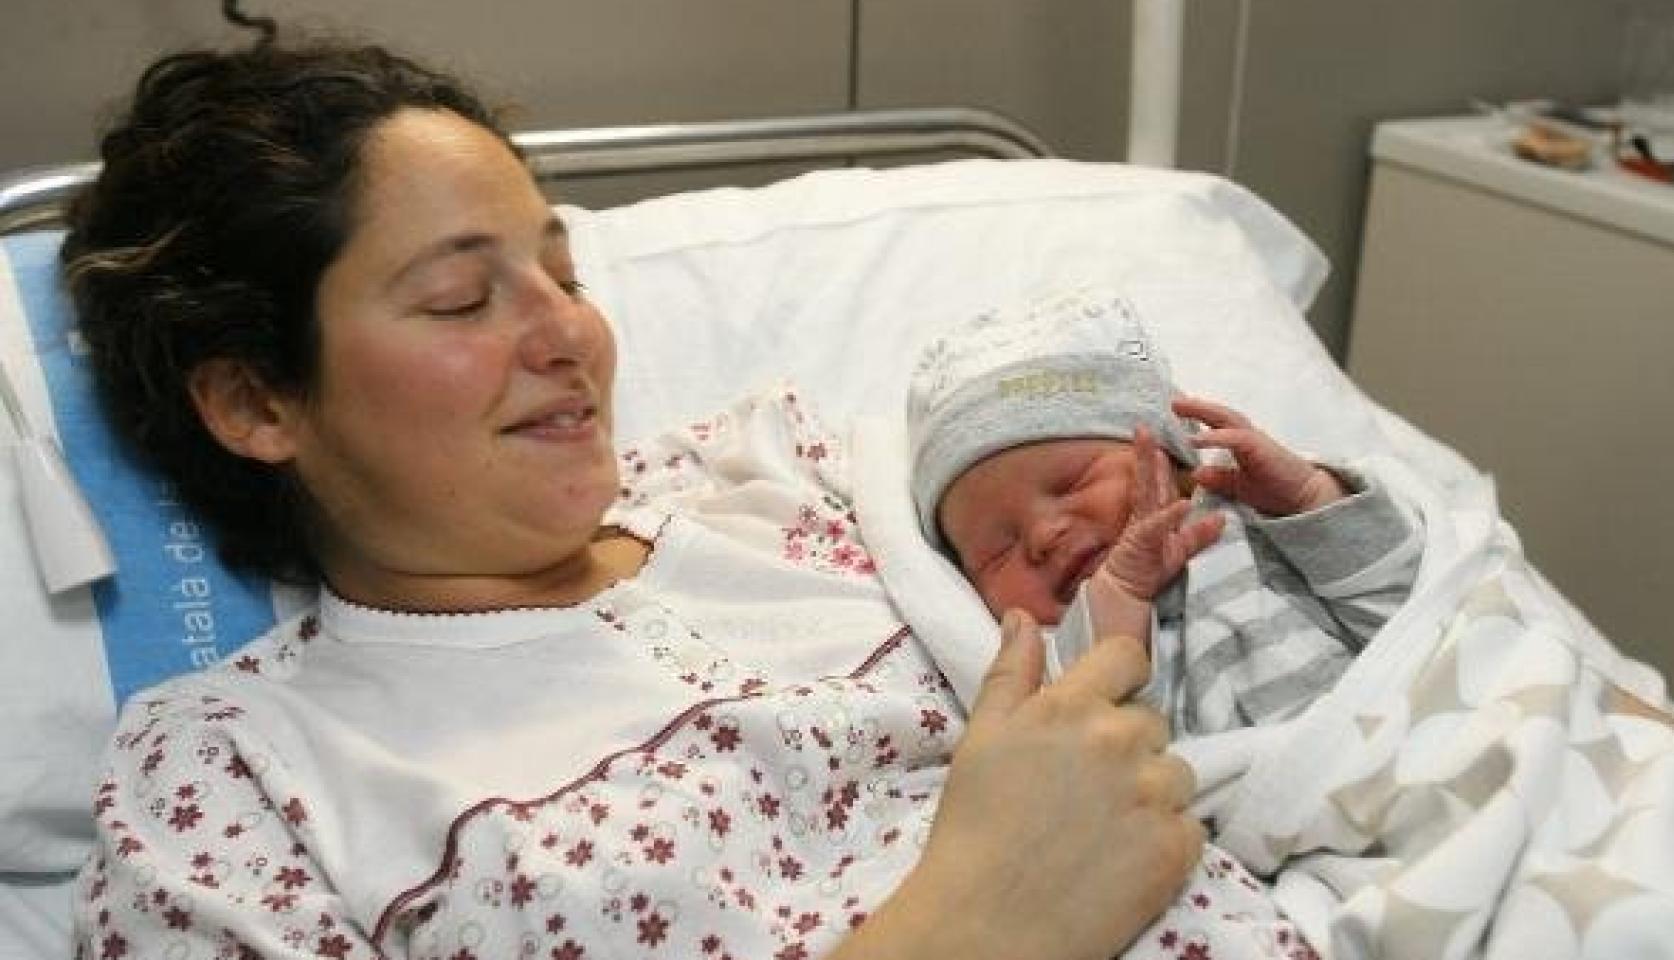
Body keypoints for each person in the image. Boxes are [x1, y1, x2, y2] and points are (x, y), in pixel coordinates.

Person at [62, 35, 1324, 960]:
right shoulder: (234, 783)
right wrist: (973, 926)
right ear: (256, 404)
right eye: (460, 299)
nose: (569, 333)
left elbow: (1224, 619)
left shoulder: (782, 480)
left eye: (562, 272)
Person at [908, 289, 1425, 735]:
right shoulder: (1048, 650)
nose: (1044, 535)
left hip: (1409, 735)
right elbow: (1099, 740)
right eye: (998, 551)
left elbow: (1410, 611)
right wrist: (1124, 592)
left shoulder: (1259, 518)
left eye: (1073, 482)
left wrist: (1311, 497)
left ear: (1172, 452)